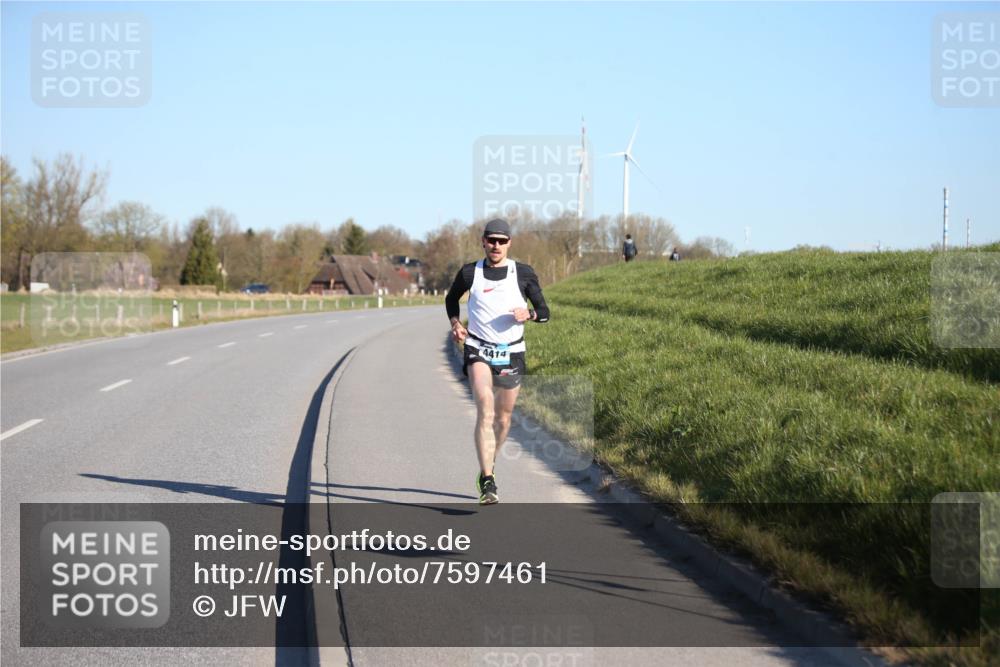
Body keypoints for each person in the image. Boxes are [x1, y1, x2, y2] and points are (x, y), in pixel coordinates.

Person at [445, 218, 550, 504]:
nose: (496, 245)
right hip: (478, 347)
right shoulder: (470, 273)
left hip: (511, 351)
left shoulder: (523, 273)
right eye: (491, 239)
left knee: (503, 420)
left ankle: (489, 465)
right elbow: (451, 299)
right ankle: (488, 479)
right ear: (483, 241)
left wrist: (529, 314)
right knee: (486, 409)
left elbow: (544, 311)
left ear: (509, 243)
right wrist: (456, 322)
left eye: (502, 241)